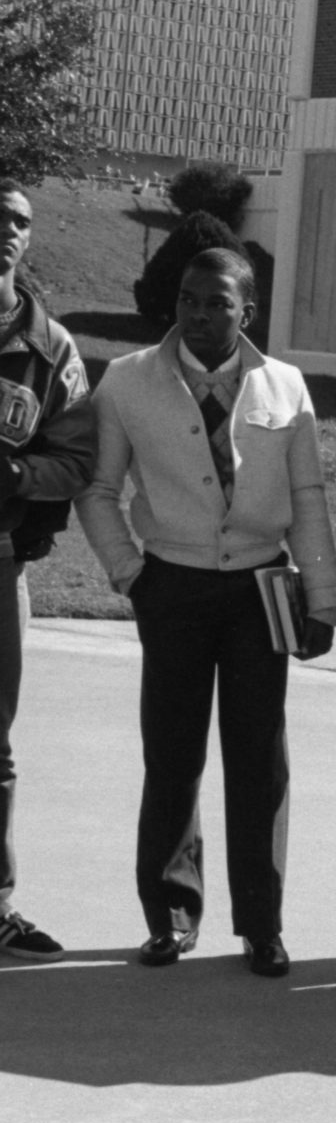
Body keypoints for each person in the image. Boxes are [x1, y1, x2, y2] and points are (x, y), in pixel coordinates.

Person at [78, 247, 336, 977]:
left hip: (261, 593)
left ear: (246, 311)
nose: (199, 314)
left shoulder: (284, 386)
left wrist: (321, 596)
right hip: (174, 587)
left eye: (217, 303)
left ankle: (262, 925)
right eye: (189, 300)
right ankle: (169, 914)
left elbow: (310, 500)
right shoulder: (128, 382)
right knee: (172, 756)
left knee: (259, 761)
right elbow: (98, 490)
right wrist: (131, 574)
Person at [0, 179, 94, 966]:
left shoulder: (51, 349)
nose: (5, 230)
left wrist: (20, 482)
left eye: (18, 222)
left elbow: (78, 459)